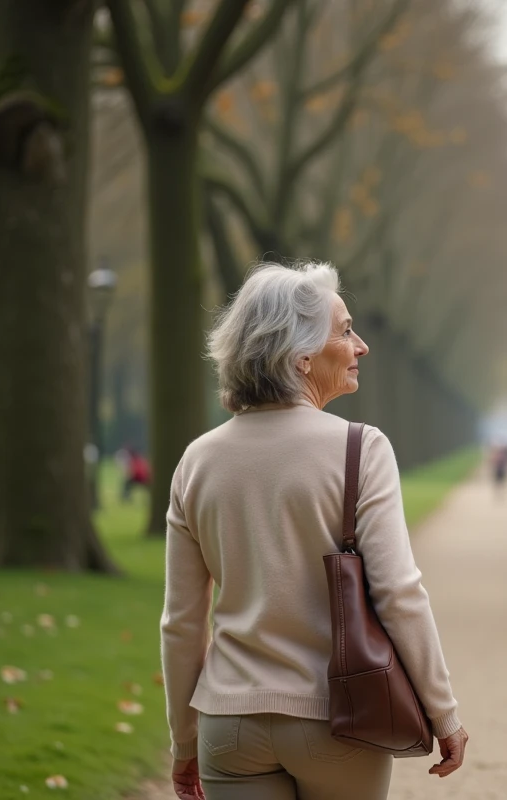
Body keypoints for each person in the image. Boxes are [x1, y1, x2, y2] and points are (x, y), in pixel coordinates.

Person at [160, 262, 469, 800]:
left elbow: (182, 623)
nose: (362, 345)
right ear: (301, 355)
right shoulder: (361, 449)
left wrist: (184, 742)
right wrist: (443, 713)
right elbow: (398, 593)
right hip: (339, 717)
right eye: (346, 330)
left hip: (230, 723)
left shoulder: (196, 461)